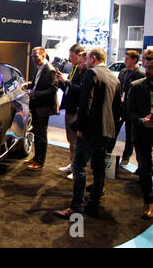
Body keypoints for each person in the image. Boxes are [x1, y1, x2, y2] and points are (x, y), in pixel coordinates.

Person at [55, 48, 121, 218]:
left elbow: (86, 104)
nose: (85, 62)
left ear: (93, 58)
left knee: (78, 167)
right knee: (99, 169)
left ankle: (76, 207)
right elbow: (116, 110)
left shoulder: (92, 74)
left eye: (88, 59)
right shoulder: (114, 78)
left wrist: (81, 128)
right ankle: (93, 204)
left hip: (90, 131)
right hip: (107, 131)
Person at [127, 52, 153, 219]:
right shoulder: (136, 86)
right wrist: (141, 120)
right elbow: (130, 112)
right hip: (142, 133)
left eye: (152, 68)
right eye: (148, 67)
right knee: (144, 169)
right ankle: (148, 201)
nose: (149, 70)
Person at [25, 46, 58, 170]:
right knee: (36, 133)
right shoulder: (39, 67)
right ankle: (36, 157)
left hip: (43, 108)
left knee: (41, 135)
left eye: (36, 56)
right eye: (32, 56)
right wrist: (29, 85)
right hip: (36, 106)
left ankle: (40, 161)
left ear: (43, 55)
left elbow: (52, 90)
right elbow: (37, 84)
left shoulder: (50, 70)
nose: (33, 59)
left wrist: (35, 94)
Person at [56, 45, 86, 179]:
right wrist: (62, 82)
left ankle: (77, 167)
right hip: (69, 108)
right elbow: (69, 90)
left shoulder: (85, 73)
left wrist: (67, 81)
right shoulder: (74, 69)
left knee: (76, 141)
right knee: (71, 140)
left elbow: (80, 91)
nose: (72, 60)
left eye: (74, 57)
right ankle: (72, 163)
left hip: (76, 110)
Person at [115, 50, 145, 164]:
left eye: (127, 59)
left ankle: (126, 156)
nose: (125, 60)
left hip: (131, 108)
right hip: (120, 106)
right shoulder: (122, 72)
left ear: (134, 60)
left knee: (129, 133)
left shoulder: (140, 74)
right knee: (114, 130)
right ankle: (107, 152)